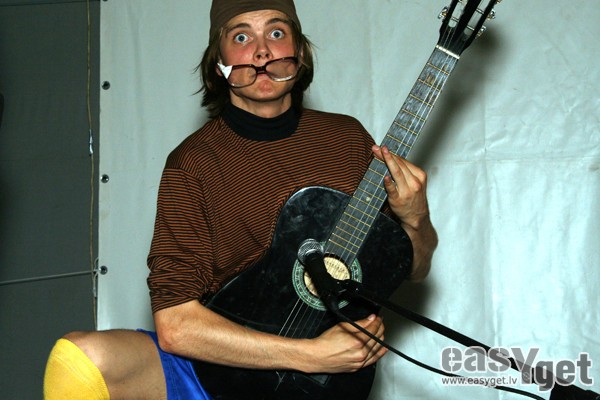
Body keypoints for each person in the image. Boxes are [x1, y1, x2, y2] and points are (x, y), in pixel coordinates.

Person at [43, 0, 438, 399]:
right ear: (219, 63)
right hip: (220, 371)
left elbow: (413, 270)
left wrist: (416, 219)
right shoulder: (193, 163)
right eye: (242, 37)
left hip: (326, 385)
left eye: (276, 33)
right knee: (80, 357)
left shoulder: (347, 140)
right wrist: (309, 355)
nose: (262, 51)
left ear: (299, 53)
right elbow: (175, 324)